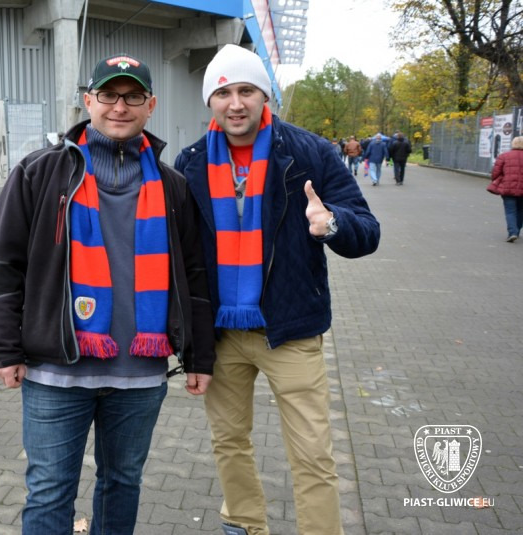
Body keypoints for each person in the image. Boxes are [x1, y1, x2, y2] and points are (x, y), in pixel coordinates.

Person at [0, 54, 215, 534]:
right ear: (88, 102)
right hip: (55, 370)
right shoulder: (40, 173)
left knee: (122, 483)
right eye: (108, 95)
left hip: (140, 374)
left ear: (151, 105)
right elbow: (2, 263)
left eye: (132, 97)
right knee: (49, 490)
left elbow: (193, 276)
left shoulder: (172, 186)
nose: (119, 107)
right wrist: (4, 347)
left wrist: (200, 356)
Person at [173, 44, 381, 535]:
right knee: (229, 441)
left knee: (312, 453)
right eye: (223, 93)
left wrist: (332, 224)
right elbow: (179, 254)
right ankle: (244, 525)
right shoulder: (190, 162)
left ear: (264, 95)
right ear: (210, 101)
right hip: (221, 334)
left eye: (246, 90)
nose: (236, 103)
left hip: (290, 328)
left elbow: (367, 230)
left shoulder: (308, 152)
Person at [487, 135, 523, 242]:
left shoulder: (504, 156)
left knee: (510, 211)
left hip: (508, 188)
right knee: (521, 210)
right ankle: (517, 230)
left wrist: (496, 180)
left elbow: (496, 172)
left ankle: (512, 232)